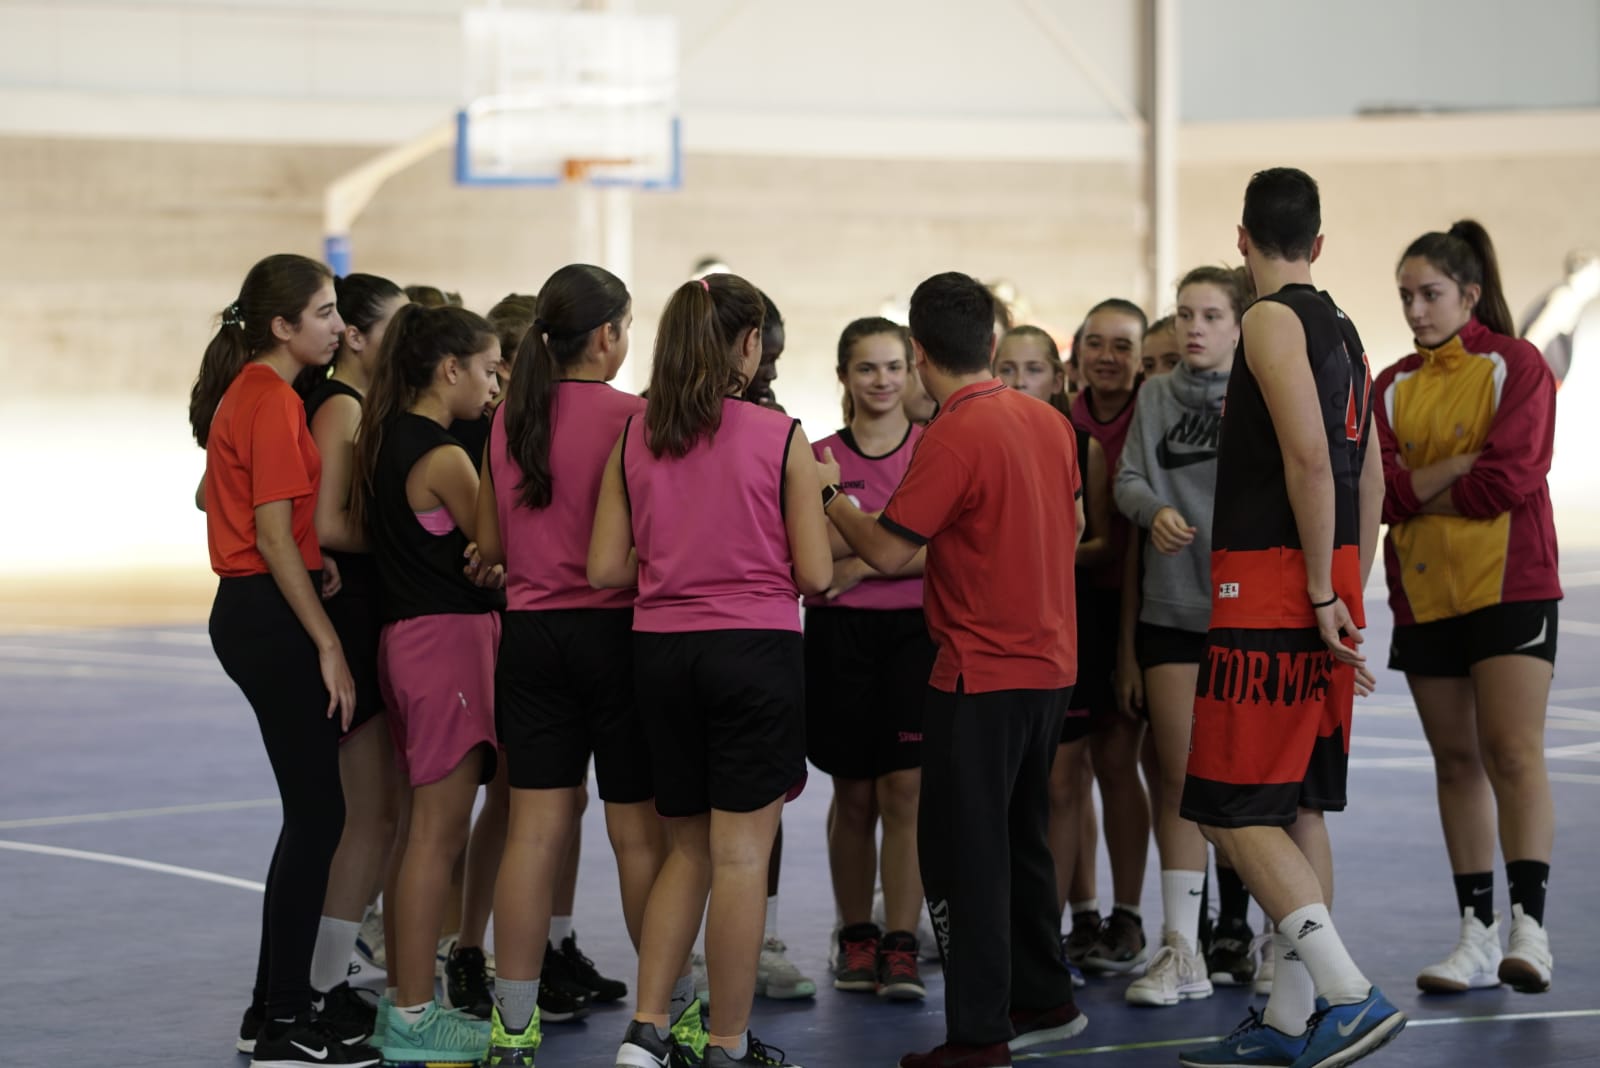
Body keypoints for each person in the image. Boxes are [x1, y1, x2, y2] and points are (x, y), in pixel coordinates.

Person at [821, 272, 1086, 1068]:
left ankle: (979, 1036)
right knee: (1020, 843)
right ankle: (1043, 999)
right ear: (995, 344)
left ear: (919, 354)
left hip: (980, 672)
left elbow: (888, 548)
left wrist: (831, 495)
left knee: (964, 858)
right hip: (1049, 665)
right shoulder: (1047, 423)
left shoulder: (954, 433)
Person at [1177, 167, 1404, 1068]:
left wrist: (1314, 594)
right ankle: (1288, 1019)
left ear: (1241, 241)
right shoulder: (1345, 324)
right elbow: (1371, 474)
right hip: (1328, 570)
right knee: (1301, 802)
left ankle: (1348, 996)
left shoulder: (1270, 320)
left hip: (1275, 582)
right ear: (1318, 241)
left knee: (1230, 808)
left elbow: (1313, 463)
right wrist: (1350, 586)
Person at [592, 273, 831, 1068]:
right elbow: (817, 574)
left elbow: (602, 568)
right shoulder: (780, 435)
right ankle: (726, 1041)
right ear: (750, 344)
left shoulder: (639, 433)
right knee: (739, 857)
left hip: (660, 652)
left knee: (687, 850)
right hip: (753, 651)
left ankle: (647, 1025)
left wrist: (676, 559)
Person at [465, 263, 667, 1064]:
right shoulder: (637, 418)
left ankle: (512, 1028)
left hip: (531, 638)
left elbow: (488, 543)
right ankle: (665, 1015)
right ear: (611, 335)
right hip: (615, 638)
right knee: (638, 837)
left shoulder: (511, 417)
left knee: (533, 835)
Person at [190, 253, 378, 1068]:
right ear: (282, 326)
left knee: (313, 815)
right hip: (266, 618)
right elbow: (264, 535)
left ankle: (271, 1007)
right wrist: (329, 642)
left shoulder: (261, 396)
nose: (340, 327)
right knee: (319, 817)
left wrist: (311, 552)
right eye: (327, 312)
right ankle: (283, 1022)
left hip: (262, 605)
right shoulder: (268, 400)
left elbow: (247, 511)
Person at [1377, 221, 1561, 995]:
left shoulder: (1516, 367)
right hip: (1423, 593)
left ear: (1470, 294)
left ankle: (1530, 930)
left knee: (1512, 754)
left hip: (1509, 583)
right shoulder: (1389, 385)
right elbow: (1382, 493)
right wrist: (1452, 470)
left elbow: (1505, 483)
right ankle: (1476, 933)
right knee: (1455, 763)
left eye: (1431, 295)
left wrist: (1426, 488)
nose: (1416, 310)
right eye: (1406, 297)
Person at [351, 304, 506, 1066]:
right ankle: (412, 1016)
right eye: (487, 368)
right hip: (444, 649)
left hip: (409, 645)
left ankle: (410, 1007)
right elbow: (499, 548)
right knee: (436, 838)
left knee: (423, 832)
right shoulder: (444, 456)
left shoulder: (382, 440)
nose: (494, 382)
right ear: (450, 369)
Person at [1113, 265, 1241, 1008]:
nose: (1194, 327)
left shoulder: (1259, 395)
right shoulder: (1155, 395)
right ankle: (1181, 945)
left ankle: (1262, 932)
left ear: (1238, 325)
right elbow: (1128, 478)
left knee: (1251, 782)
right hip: (1171, 611)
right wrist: (1152, 510)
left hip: (1248, 615)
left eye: (1211, 315)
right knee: (1178, 777)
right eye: (1185, 314)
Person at [811, 317, 934, 1003]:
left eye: (894, 367)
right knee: (853, 793)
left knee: (906, 791)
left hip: (917, 635)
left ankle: (902, 941)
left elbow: (945, 547)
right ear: (843, 377)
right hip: (840, 642)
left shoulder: (932, 450)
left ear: (912, 374)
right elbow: (806, 553)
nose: (882, 381)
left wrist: (859, 564)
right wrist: (881, 553)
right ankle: (856, 932)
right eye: (867, 368)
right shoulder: (818, 456)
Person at [299, 273, 408, 1040]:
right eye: (396, 325)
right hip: (355, 613)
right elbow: (331, 523)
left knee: (382, 810)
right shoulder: (342, 404)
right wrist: (417, 543)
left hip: (376, 613)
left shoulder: (371, 406)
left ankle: (328, 978)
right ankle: (318, 986)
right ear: (360, 338)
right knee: (365, 813)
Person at [995, 325, 1109, 987]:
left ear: (1058, 379)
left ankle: (1054, 934)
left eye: (1032, 369)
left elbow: (1097, 543)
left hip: (1065, 630)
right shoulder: (981, 438)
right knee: (1011, 791)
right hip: (1000, 637)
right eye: (1005, 369)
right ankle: (1014, 933)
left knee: (1063, 784)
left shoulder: (1078, 444)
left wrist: (1038, 551)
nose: (1017, 382)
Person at [1070, 298, 1152, 975]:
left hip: (1144, 606)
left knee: (1121, 764)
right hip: (1070, 611)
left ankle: (1130, 916)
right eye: (1094, 343)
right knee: (1068, 772)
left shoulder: (1152, 413)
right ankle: (1082, 914)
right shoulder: (1059, 421)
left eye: (1121, 345)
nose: (1106, 356)